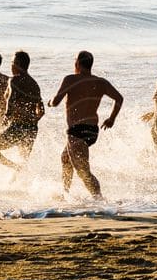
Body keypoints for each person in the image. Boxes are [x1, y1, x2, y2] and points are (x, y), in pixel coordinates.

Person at [50, 50, 124, 198]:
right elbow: (119, 98)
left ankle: (99, 200)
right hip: (92, 131)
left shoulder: (70, 79)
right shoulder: (101, 82)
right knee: (65, 158)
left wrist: (50, 102)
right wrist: (111, 119)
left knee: (83, 171)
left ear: (77, 63)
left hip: (77, 130)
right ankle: (65, 194)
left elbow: (56, 102)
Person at [0, 50, 45, 171]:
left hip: (17, 127)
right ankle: (19, 185)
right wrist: (32, 121)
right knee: (23, 160)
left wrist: (3, 124)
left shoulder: (14, 80)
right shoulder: (34, 84)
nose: (11, 65)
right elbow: (41, 110)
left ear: (17, 64)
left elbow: (10, 105)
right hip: (32, 129)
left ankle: (13, 167)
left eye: (12, 62)